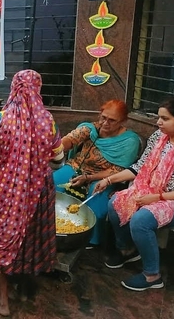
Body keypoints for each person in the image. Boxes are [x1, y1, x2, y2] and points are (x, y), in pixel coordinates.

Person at [0, 70, 64, 316]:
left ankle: (2, 302)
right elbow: (58, 160)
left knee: (2, 239)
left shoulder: (0, 119)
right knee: (29, 238)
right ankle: (23, 285)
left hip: (7, 190)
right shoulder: (48, 120)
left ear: (13, 88)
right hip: (39, 191)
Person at [96, 95, 174, 291]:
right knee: (115, 203)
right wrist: (108, 180)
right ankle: (127, 249)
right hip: (153, 190)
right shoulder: (159, 138)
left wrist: (157, 198)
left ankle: (152, 275)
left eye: (165, 119)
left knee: (141, 219)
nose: (158, 122)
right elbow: (140, 167)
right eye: (158, 117)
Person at [53, 100, 140, 247]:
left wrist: (89, 178)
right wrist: (57, 147)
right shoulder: (90, 129)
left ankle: (88, 240)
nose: (105, 123)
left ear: (123, 121)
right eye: (103, 117)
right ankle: (51, 227)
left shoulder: (130, 141)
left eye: (112, 120)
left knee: (96, 209)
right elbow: (71, 139)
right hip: (76, 167)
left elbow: (118, 170)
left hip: (106, 177)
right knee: (49, 186)